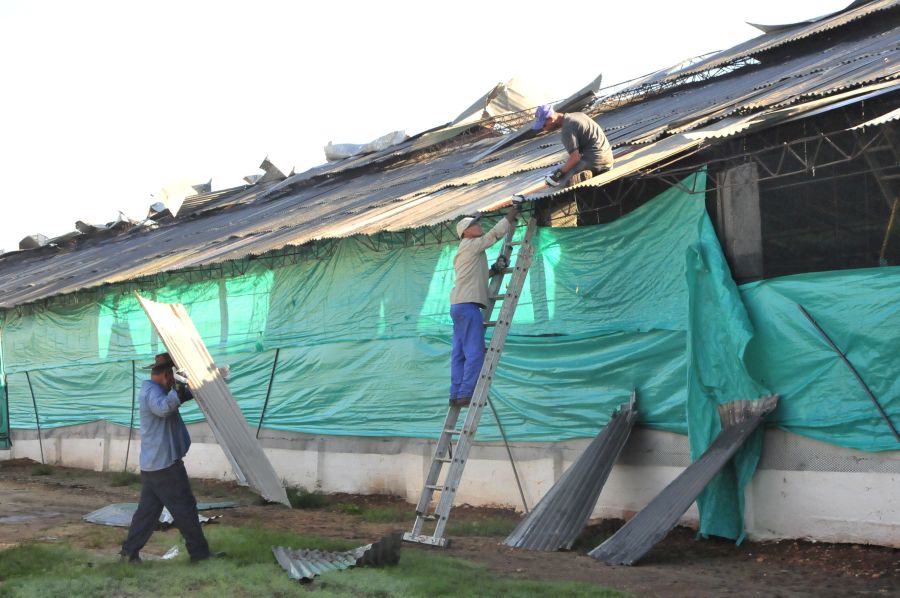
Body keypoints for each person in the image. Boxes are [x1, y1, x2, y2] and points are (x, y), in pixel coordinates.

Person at [120, 352, 217, 563]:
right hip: (164, 466)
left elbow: (177, 398)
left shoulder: (158, 390)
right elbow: (163, 408)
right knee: (185, 509)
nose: (174, 382)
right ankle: (200, 555)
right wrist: (178, 389)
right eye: (173, 378)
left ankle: (129, 553)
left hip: (154, 465)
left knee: (147, 513)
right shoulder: (152, 392)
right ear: (166, 375)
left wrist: (207, 383)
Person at [449, 206, 518, 408]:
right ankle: (466, 393)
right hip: (468, 307)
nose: (479, 226)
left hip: (458, 305)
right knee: (475, 352)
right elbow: (495, 235)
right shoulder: (471, 244)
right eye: (474, 224)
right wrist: (514, 211)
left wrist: (494, 270)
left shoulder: (466, 250)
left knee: (459, 353)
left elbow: (474, 276)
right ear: (466, 232)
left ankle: (455, 393)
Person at [533, 104, 614, 188]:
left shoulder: (567, 129)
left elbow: (575, 158)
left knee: (560, 183)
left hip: (594, 161)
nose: (544, 129)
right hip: (608, 158)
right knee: (561, 170)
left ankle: (585, 175)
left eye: (544, 125)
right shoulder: (579, 115)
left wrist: (557, 175)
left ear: (551, 119)